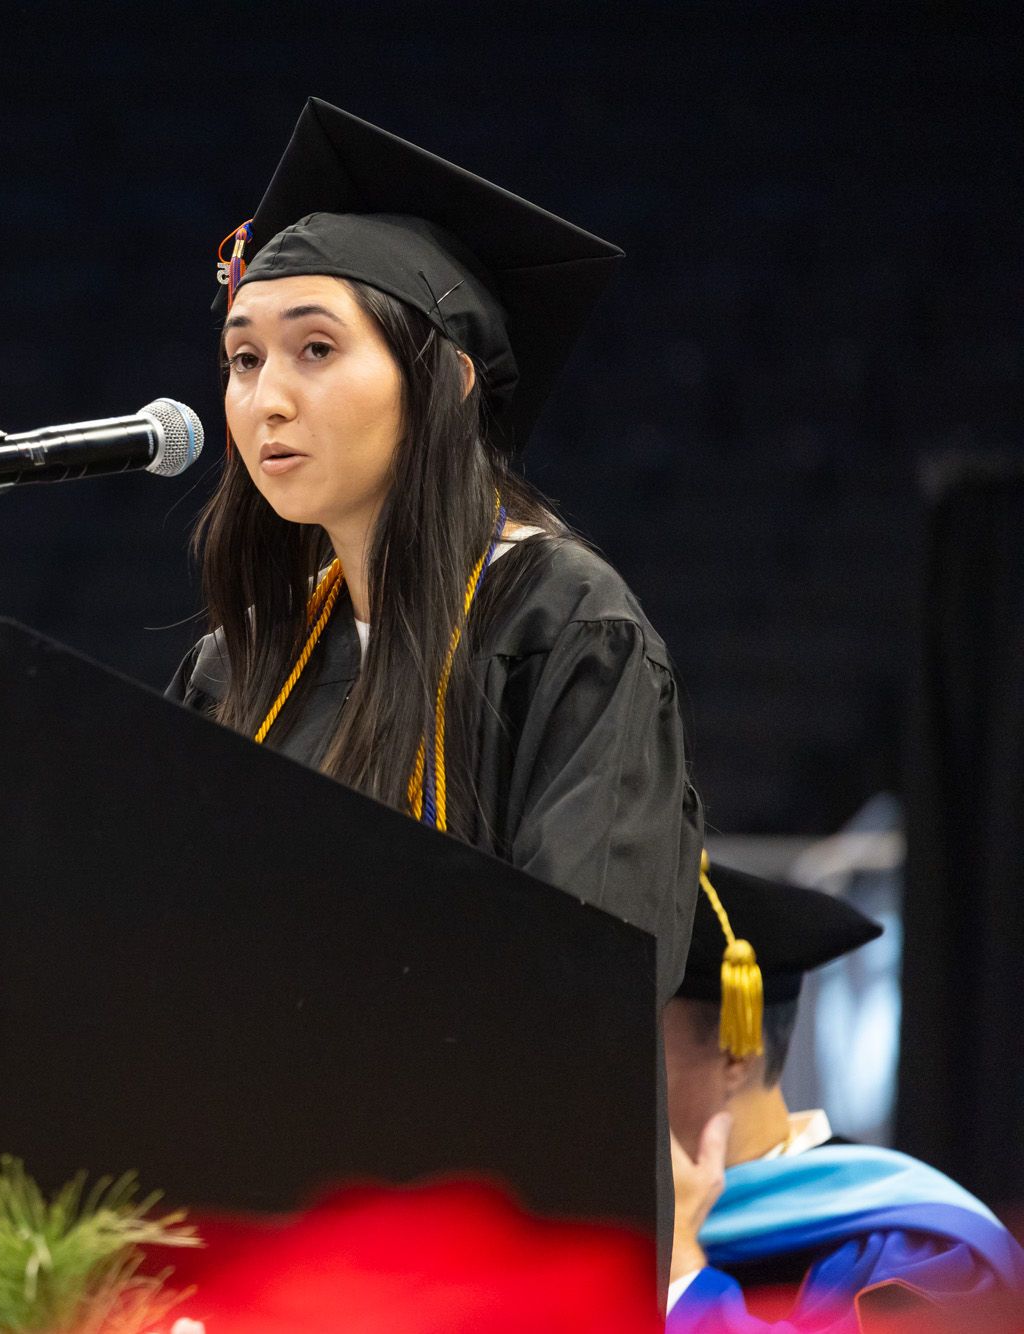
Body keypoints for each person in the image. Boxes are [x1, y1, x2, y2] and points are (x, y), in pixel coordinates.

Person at [167, 97, 701, 1000]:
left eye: (316, 348)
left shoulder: (566, 629)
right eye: (244, 359)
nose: (267, 401)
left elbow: (589, 984)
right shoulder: (238, 664)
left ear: (449, 381)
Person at [666, 859, 1024, 1330]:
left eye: (630, 1039)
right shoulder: (606, 1224)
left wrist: (685, 1283)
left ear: (736, 1054)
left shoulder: (913, 1250)